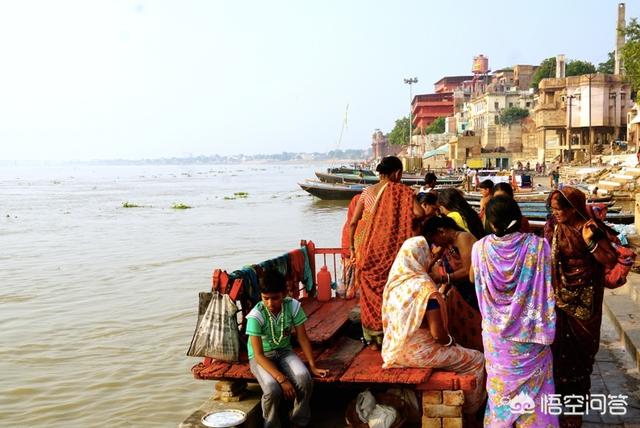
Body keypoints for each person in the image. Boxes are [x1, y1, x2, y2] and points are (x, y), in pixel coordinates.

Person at [471, 196, 558, 427]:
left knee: (501, 397)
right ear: (519, 218)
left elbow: (474, 279)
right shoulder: (538, 246)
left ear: (490, 222)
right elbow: (550, 282)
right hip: (531, 338)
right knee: (537, 400)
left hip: (498, 341)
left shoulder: (479, 249)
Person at [381, 235, 486, 416]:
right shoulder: (424, 288)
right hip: (419, 353)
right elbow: (438, 335)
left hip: (393, 351)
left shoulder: (395, 284)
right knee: (477, 359)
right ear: (420, 257)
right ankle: (470, 410)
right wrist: (450, 341)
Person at [544, 187, 617, 428]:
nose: (556, 214)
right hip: (560, 301)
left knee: (579, 360)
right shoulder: (554, 227)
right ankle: (559, 413)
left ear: (572, 207)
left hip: (585, 304)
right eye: (553, 210)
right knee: (558, 357)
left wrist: (590, 243)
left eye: (559, 210)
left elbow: (609, 260)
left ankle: (574, 416)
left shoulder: (590, 229)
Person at [348, 156, 424, 349]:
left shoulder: (366, 193)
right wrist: (410, 199)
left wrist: (352, 249)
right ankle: (390, 336)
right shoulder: (402, 192)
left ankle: (372, 340)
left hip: (365, 248)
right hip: (389, 250)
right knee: (389, 293)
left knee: (368, 296)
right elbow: (419, 214)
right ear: (397, 173)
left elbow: (353, 222)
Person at [247, 269, 329, 428]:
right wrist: (282, 379)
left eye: (275, 298)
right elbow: (258, 355)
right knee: (272, 389)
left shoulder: (292, 306)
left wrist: (312, 366)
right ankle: (271, 425)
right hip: (261, 357)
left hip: (284, 352)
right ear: (261, 297)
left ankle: (299, 420)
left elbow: (302, 338)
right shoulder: (255, 316)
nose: (270, 303)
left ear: (284, 294)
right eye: (266, 299)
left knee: (305, 378)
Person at [422, 216, 483, 352]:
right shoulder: (448, 245)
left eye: (435, 240)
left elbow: (468, 271)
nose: (436, 245)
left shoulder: (462, 238)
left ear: (441, 232)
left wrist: (443, 278)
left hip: (473, 292)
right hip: (461, 293)